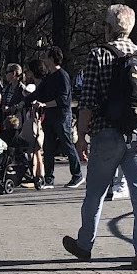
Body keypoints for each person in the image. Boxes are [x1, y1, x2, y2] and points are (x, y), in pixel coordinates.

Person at [62, 4, 137, 270]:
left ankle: (85, 244)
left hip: (106, 133)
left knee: (94, 193)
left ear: (108, 27)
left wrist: (82, 136)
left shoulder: (98, 55)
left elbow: (88, 101)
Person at [35, 46, 81, 187]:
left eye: (46, 57)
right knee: (48, 147)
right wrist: (24, 100)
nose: (44, 60)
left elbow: (63, 99)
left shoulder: (62, 76)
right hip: (49, 117)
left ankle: (77, 175)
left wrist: (45, 105)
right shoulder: (49, 77)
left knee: (67, 146)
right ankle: (49, 178)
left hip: (62, 117)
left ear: (52, 58)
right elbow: (39, 93)